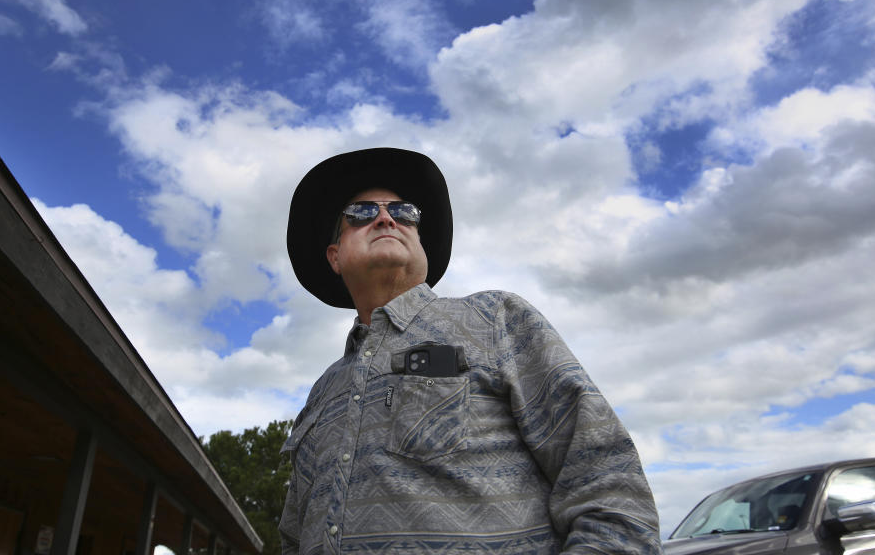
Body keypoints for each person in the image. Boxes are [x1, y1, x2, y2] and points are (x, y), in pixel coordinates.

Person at [281, 147, 662, 554]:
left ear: (421, 244)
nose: (387, 217)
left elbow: (609, 484)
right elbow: (292, 536)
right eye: (360, 212)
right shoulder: (321, 393)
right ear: (334, 257)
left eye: (404, 211)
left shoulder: (495, 318)